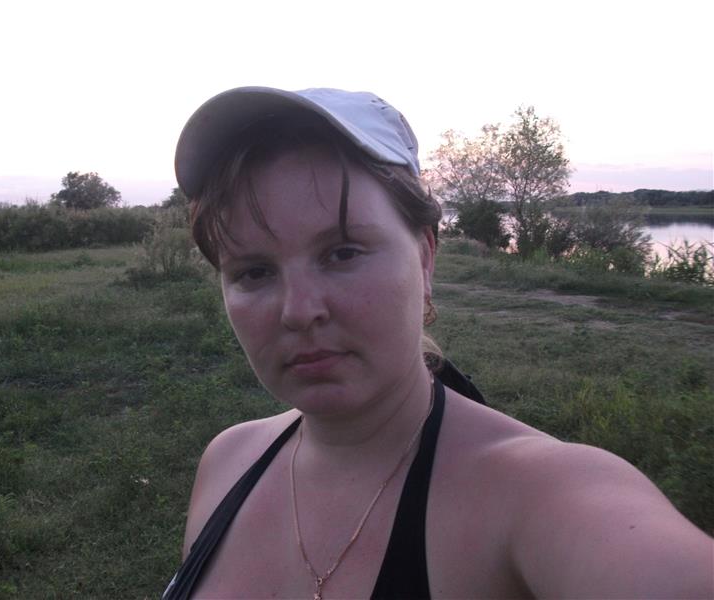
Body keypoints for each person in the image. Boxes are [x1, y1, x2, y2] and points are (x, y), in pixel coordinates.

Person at [163, 87, 712, 600]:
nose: (300, 311)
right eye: (254, 271)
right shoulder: (227, 461)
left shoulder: (537, 494)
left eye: (343, 252)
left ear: (425, 258)